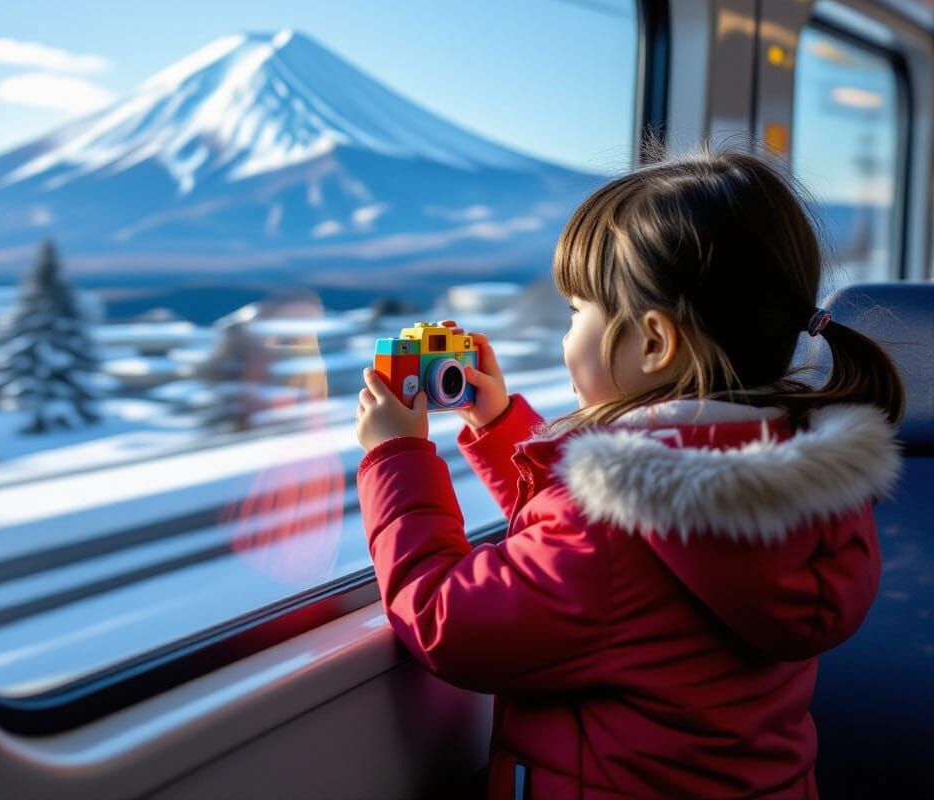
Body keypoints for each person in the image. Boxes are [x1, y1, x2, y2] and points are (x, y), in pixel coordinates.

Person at [354, 148, 904, 800]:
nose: (566, 338)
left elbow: (447, 619)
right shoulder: (800, 477)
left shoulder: (614, 530)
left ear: (653, 343)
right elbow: (582, 549)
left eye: (576, 312)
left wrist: (397, 458)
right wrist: (499, 425)